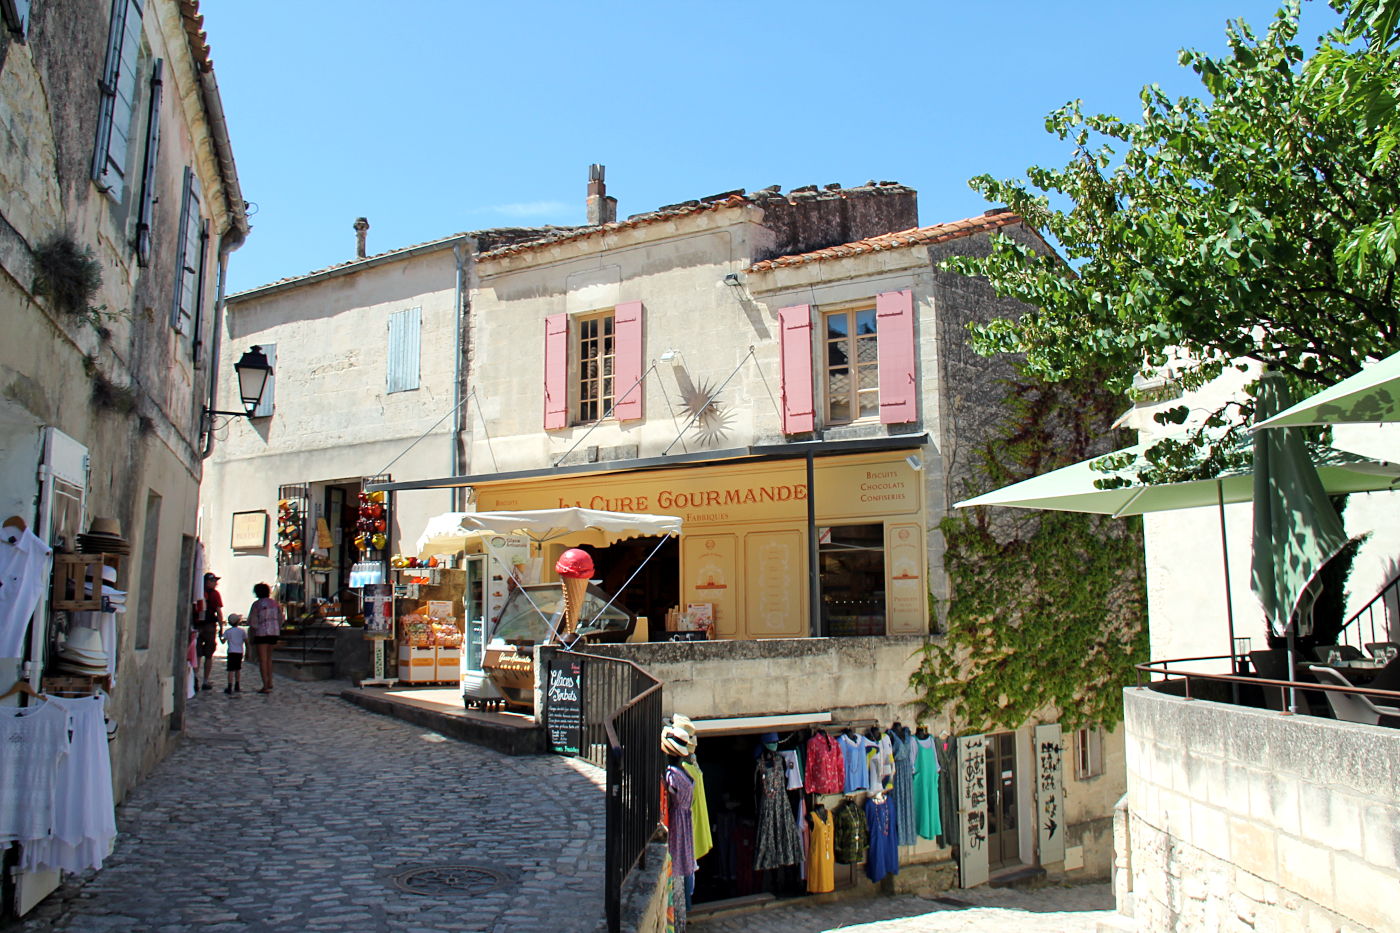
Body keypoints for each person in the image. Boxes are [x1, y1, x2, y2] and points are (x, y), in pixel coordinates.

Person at [247, 582, 283, 694]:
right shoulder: (275, 604)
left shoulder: (257, 605)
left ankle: (265, 685)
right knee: (269, 658)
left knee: (262, 660)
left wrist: (252, 632)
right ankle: (270, 681)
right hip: (273, 632)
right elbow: (280, 618)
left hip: (261, 633)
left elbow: (252, 621)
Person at [198, 572, 224, 691]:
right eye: (214, 581)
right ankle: (205, 680)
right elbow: (218, 612)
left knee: (197, 654)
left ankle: (194, 678)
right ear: (209, 582)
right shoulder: (215, 594)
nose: (216, 583)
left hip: (197, 625)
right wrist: (221, 627)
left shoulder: (198, 592)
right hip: (209, 626)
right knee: (208, 655)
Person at [220, 613, 247, 695]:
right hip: (239, 652)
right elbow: (246, 641)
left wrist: (220, 636)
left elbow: (223, 641)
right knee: (238, 669)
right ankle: (237, 685)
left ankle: (229, 686)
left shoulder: (228, 631)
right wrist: (248, 651)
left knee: (230, 670)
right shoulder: (242, 631)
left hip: (231, 652)